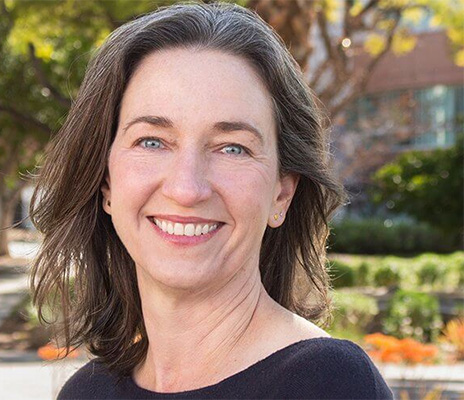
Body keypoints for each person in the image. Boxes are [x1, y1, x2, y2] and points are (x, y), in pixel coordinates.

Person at [29, 2, 393, 399]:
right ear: (106, 184)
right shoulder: (86, 393)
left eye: (232, 148)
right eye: (151, 141)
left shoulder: (329, 384)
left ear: (282, 192)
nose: (186, 189)